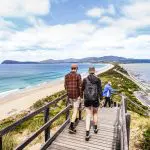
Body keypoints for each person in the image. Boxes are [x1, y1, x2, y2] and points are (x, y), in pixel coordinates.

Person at [82, 67, 102, 141]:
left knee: (88, 115)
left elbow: (82, 89)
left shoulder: (84, 79)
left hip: (87, 99)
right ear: (94, 71)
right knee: (95, 113)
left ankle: (87, 133)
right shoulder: (98, 79)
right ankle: (95, 128)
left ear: (88, 71)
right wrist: (102, 98)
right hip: (95, 99)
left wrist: (82, 97)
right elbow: (100, 90)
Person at [64, 64, 82, 134]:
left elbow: (65, 86)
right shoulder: (78, 75)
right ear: (76, 68)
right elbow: (80, 87)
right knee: (75, 110)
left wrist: (68, 92)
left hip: (69, 95)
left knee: (72, 109)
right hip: (76, 96)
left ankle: (74, 119)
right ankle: (71, 126)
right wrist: (81, 96)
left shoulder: (66, 75)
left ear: (71, 68)